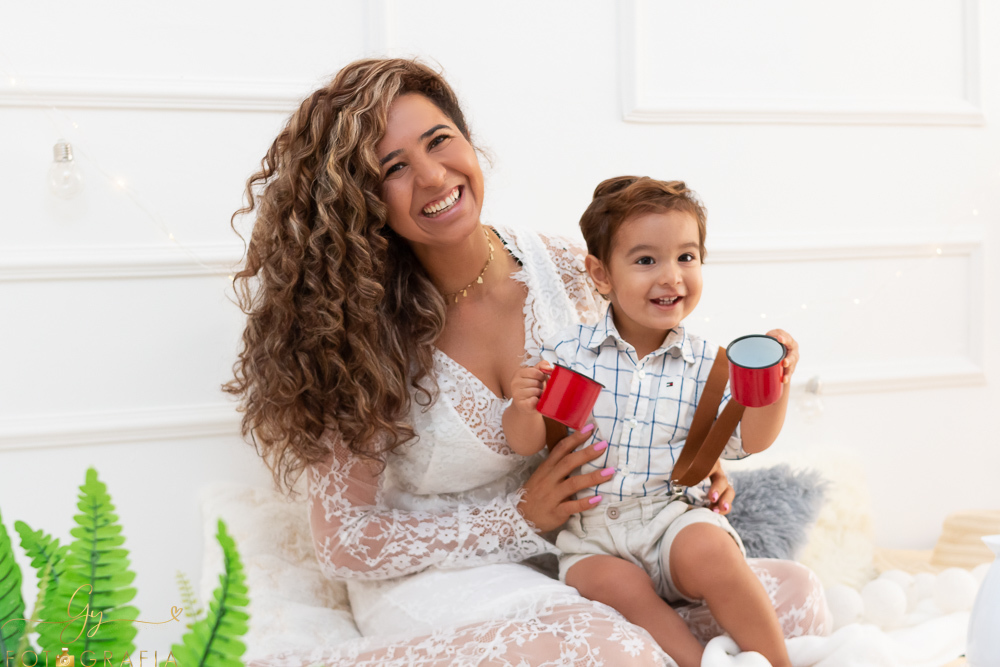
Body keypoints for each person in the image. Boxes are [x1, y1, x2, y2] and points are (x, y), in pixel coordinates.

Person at [224, 57, 830, 666]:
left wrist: (679, 462)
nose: (434, 176)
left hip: (584, 545)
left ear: (467, 140)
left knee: (795, 601)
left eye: (440, 141)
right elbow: (344, 544)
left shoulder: (568, 270)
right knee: (612, 651)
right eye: (395, 168)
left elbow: (644, 377)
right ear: (361, 199)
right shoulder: (352, 331)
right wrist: (518, 517)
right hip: (438, 577)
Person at [503, 176, 806, 666]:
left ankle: (776, 662)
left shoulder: (712, 365)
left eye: (686, 257)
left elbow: (753, 440)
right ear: (601, 275)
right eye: (646, 260)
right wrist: (521, 407)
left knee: (714, 552)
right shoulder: (568, 355)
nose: (671, 277)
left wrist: (778, 382)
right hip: (593, 532)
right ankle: (698, 662)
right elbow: (526, 444)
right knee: (613, 584)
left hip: (669, 518)